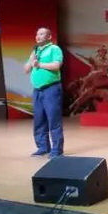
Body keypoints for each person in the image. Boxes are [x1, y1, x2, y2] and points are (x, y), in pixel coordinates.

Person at [24, 27, 64, 158]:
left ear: (49, 37)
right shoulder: (35, 51)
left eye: (41, 34)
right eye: (37, 34)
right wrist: (31, 61)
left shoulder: (54, 49)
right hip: (37, 90)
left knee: (53, 120)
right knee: (39, 120)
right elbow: (26, 70)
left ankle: (57, 149)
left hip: (51, 89)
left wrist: (39, 64)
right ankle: (43, 147)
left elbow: (56, 65)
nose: (38, 36)